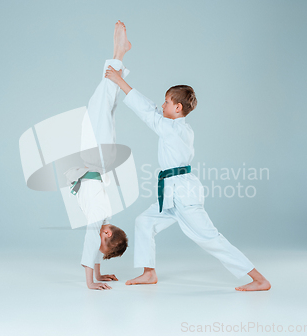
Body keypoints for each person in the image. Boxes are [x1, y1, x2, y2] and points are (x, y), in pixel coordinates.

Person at [104, 32, 271, 291]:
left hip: (183, 194)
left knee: (210, 238)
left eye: (167, 102)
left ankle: (259, 279)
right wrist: (121, 80)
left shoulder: (174, 129)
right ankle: (149, 273)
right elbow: (150, 109)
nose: (163, 104)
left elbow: (147, 114)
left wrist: (119, 81)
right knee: (144, 222)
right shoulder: (174, 126)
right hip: (172, 193)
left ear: (178, 108)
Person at [73, 20, 130, 290]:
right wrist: (92, 281)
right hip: (97, 160)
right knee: (102, 105)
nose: (100, 250)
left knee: (104, 106)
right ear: (106, 234)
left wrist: (96, 277)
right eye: (104, 246)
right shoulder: (100, 217)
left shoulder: (102, 220)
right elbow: (91, 244)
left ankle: (118, 55)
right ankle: (118, 54)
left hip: (96, 160)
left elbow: (93, 243)